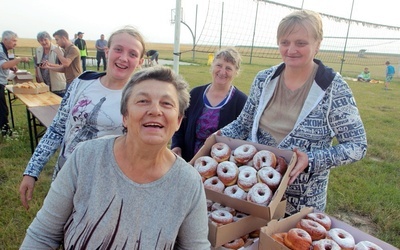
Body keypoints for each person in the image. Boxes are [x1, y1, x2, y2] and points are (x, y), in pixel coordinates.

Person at [20, 66, 210, 249]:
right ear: (125, 116)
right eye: (142, 101)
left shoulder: (188, 183)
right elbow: (43, 234)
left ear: (178, 121)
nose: (155, 110)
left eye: (166, 103)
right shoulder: (86, 156)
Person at [219, 10, 367, 216]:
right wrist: (217, 137)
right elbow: (242, 124)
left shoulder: (334, 89)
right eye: (284, 42)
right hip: (254, 190)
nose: (291, 50)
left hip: (301, 201)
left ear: (318, 44)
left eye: (301, 43)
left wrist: (312, 160)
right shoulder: (264, 80)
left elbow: (357, 146)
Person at [19, 26, 146, 210]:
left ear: (140, 61)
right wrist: (32, 171)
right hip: (64, 172)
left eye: (132, 54)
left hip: (105, 186)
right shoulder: (82, 82)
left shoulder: (141, 99)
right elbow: (57, 129)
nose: (123, 57)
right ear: (107, 51)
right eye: (118, 49)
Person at [171, 47, 247, 161]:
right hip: (188, 160)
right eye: (219, 65)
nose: (222, 72)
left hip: (220, 168)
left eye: (228, 68)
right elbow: (180, 124)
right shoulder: (195, 94)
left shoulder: (241, 101)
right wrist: (177, 145)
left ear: (236, 72)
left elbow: (244, 137)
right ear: (212, 66)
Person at [0, 30, 30, 136]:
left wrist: (11, 65)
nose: (15, 43)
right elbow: (3, 66)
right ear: (5, 39)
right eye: (13, 40)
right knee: (2, 109)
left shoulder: (3, 50)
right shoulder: (0, 50)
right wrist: (19, 59)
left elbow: (4, 64)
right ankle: (5, 132)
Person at [34, 31, 67, 97]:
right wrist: (37, 76)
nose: (43, 42)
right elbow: (36, 66)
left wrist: (49, 65)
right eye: (41, 41)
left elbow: (64, 66)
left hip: (57, 85)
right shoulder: (38, 50)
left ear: (49, 39)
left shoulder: (58, 50)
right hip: (44, 84)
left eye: (45, 40)